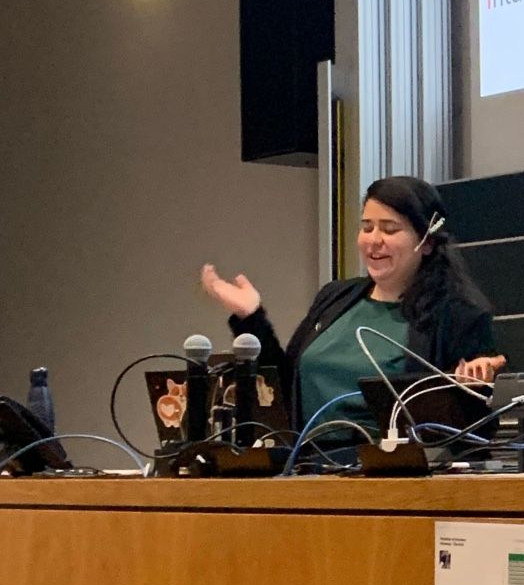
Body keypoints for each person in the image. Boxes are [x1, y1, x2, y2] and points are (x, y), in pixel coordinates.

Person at [201, 175, 503, 437]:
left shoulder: (460, 316)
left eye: (389, 229)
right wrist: (251, 317)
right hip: (303, 469)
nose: (374, 240)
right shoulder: (335, 297)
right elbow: (280, 390)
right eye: (367, 227)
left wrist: (471, 390)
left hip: (388, 477)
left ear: (427, 243)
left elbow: (475, 429)